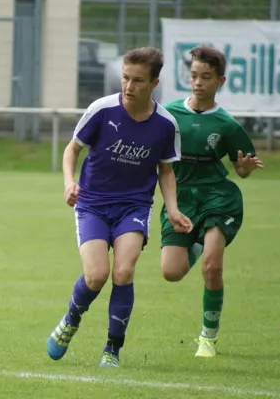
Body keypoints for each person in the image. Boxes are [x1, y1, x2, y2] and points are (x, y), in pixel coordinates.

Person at [46, 47, 193, 368]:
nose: (129, 86)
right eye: (125, 78)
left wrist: (173, 209)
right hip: (92, 205)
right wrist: (69, 182)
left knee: (124, 271)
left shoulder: (166, 124)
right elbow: (72, 149)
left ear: (154, 83)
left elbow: (166, 171)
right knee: (97, 275)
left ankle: (112, 349)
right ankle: (71, 319)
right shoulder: (102, 109)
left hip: (134, 207)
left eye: (138, 81)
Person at [160, 45, 264, 357]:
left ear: (220, 81)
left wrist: (243, 170)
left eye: (206, 77)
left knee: (212, 267)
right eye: (193, 75)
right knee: (171, 272)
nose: (198, 82)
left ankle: (208, 337)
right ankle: (198, 243)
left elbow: (241, 166)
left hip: (218, 196)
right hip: (181, 197)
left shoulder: (228, 126)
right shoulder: (169, 115)